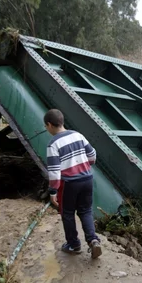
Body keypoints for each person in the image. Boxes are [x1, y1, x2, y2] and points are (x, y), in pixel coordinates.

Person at [43, 108, 102, 259]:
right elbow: (93, 155)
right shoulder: (78, 135)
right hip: (87, 179)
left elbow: (55, 171)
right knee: (85, 211)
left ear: (49, 125)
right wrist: (84, 166)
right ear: (62, 121)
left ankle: (74, 244)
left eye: (46, 126)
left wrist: (53, 191)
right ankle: (93, 240)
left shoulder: (53, 144)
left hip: (70, 183)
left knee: (68, 213)